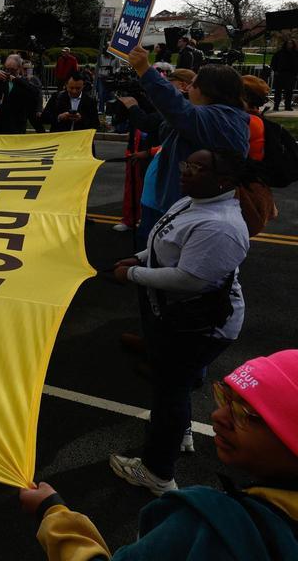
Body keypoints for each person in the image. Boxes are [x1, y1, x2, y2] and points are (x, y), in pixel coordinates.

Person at [20, 349, 298, 559]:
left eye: (245, 414)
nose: (217, 415)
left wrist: (53, 514)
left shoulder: (208, 530)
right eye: (226, 397)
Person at [108, 148, 251, 495]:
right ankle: (179, 429)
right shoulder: (194, 201)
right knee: (176, 384)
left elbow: (191, 279)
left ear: (224, 181)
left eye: (197, 168)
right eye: (187, 164)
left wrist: (135, 274)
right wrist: (140, 256)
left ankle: (157, 472)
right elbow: (166, 242)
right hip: (177, 318)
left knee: (169, 391)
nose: (185, 172)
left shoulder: (220, 226)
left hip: (201, 327)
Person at [126, 44, 249, 249]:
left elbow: (176, 108)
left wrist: (145, 71)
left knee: (169, 262)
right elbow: (171, 124)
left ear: (208, 91)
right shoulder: (218, 116)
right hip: (178, 204)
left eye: (193, 84)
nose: (188, 89)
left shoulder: (220, 119)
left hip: (190, 211)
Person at [0, 55, 40, 134]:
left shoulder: (24, 82)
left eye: (12, 69)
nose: (8, 72)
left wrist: (16, 80)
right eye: (6, 69)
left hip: (16, 126)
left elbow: (35, 93)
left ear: (19, 68)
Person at [270, 38, 297, 111]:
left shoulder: (295, 53)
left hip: (291, 75)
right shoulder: (279, 53)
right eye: (288, 43)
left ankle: (287, 106)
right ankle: (276, 106)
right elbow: (273, 62)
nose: (289, 45)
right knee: (278, 91)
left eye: (291, 43)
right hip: (280, 74)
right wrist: (275, 70)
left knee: (289, 91)